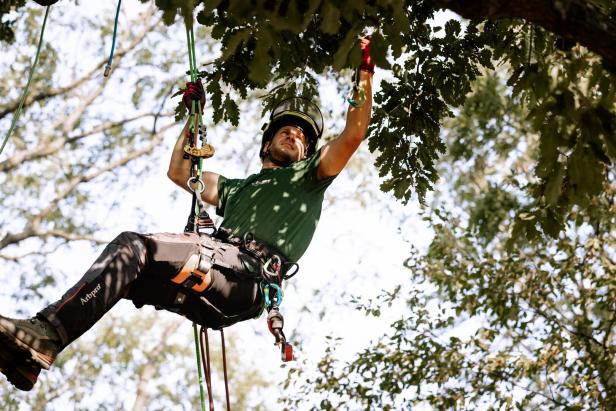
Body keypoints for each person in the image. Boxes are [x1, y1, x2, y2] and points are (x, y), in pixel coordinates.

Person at [0, 37, 374, 391]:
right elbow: (181, 173)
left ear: (307, 153)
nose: (294, 136)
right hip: (215, 285)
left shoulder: (308, 178)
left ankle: (44, 334)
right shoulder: (237, 189)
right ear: (267, 142)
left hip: (246, 277)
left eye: (301, 137)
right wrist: (192, 120)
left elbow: (353, 134)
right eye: (286, 131)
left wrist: (365, 68)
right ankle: (29, 360)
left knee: (136, 247)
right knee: (130, 273)